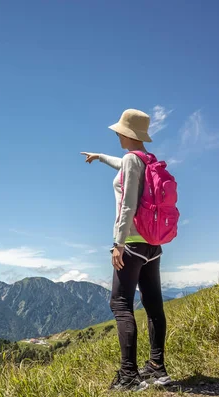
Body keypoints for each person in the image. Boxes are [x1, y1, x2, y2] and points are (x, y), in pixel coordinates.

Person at [81, 109, 171, 392]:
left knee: (120, 304)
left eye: (118, 131)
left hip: (131, 243)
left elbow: (128, 205)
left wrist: (117, 244)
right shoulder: (146, 160)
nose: (116, 135)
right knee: (154, 304)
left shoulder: (132, 161)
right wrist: (99, 156)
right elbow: (121, 164)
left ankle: (129, 375)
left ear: (125, 133)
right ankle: (158, 368)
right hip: (152, 244)